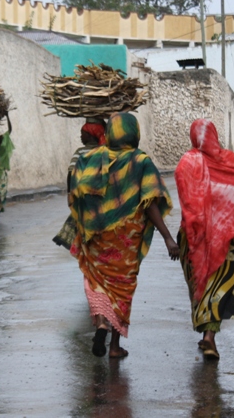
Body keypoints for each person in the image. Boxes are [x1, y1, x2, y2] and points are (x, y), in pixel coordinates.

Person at [69, 112, 179, 358]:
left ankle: (100, 323)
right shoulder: (140, 162)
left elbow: (76, 191)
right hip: (126, 241)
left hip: (96, 237)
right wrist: (167, 237)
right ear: (134, 132)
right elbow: (150, 202)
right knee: (122, 288)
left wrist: (84, 224)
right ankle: (115, 346)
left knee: (96, 281)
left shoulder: (91, 158)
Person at [174, 119, 234, 360]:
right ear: (214, 136)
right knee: (219, 285)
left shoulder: (185, 164)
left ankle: (207, 335)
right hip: (225, 238)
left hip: (193, 237)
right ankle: (209, 337)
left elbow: (187, 202)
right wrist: (233, 216)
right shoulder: (228, 161)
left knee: (200, 285)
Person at [53, 118, 106, 249]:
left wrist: (70, 193)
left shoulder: (80, 152)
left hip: (84, 196)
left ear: (90, 135)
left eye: (83, 133)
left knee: (83, 221)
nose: (81, 136)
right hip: (102, 197)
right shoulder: (106, 151)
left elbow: (71, 173)